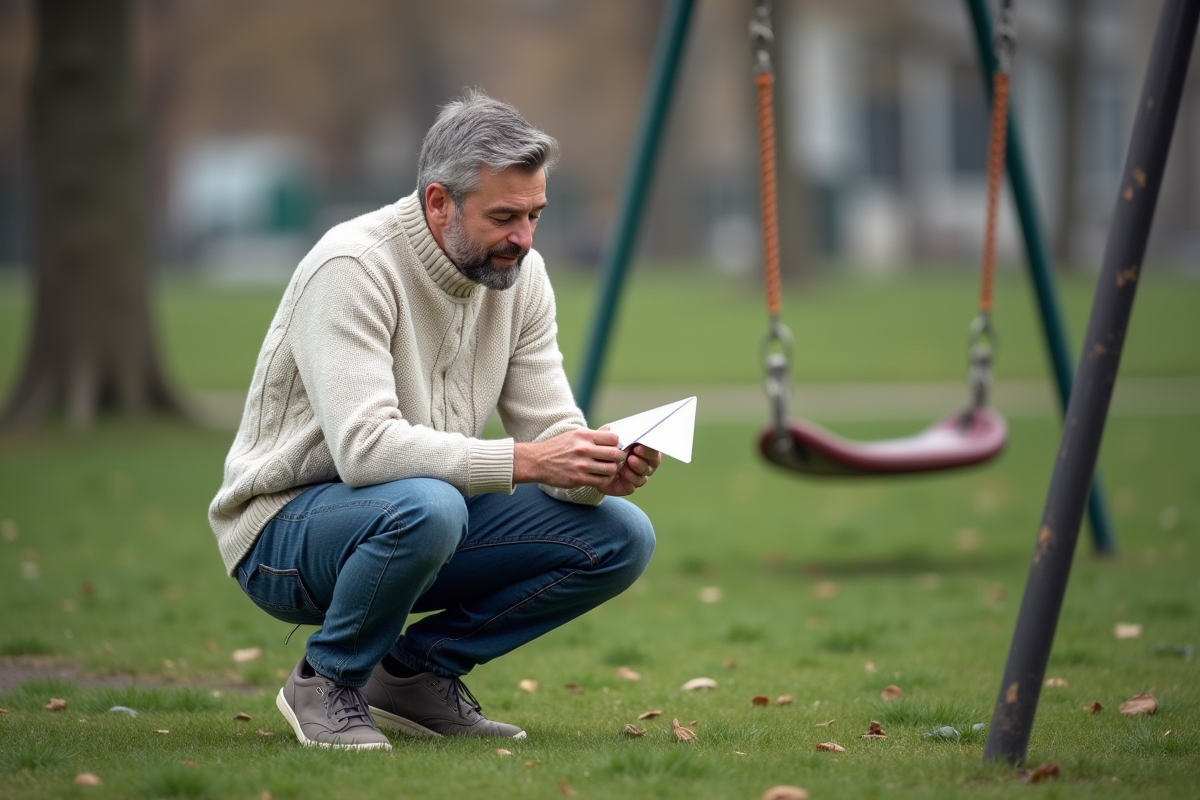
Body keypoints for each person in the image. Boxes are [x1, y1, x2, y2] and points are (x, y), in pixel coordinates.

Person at [208, 89, 660, 751]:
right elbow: (365, 449)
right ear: (438, 202)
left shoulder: (521, 277)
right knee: (431, 507)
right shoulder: (352, 266)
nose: (524, 239)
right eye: (504, 216)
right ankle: (326, 680)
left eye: (535, 214)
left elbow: (551, 428)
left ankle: (414, 676)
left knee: (621, 535)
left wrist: (594, 469)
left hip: (413, 514)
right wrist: (529, 461)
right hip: (282, 532)